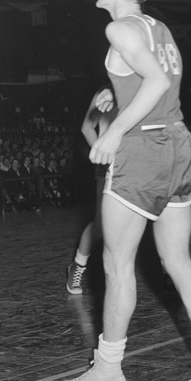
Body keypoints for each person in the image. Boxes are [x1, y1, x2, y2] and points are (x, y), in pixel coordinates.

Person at [59, 0, 191, 381]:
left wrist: (114, 130)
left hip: (144, 151)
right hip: (178, 143)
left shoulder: (117, 28)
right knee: (178, 260)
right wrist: (118, 98)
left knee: (116, 265)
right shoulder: (159, 28)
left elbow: (155, 81)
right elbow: (158, 84)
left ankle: (107, 370)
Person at [65, 86, 114, 296]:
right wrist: (104, 152)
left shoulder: (143, 86)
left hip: (137, 163)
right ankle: (78, 265)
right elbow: (87, 127)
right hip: (109, 166)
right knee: (101, 226)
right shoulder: (104, 93)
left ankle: (168, 271)